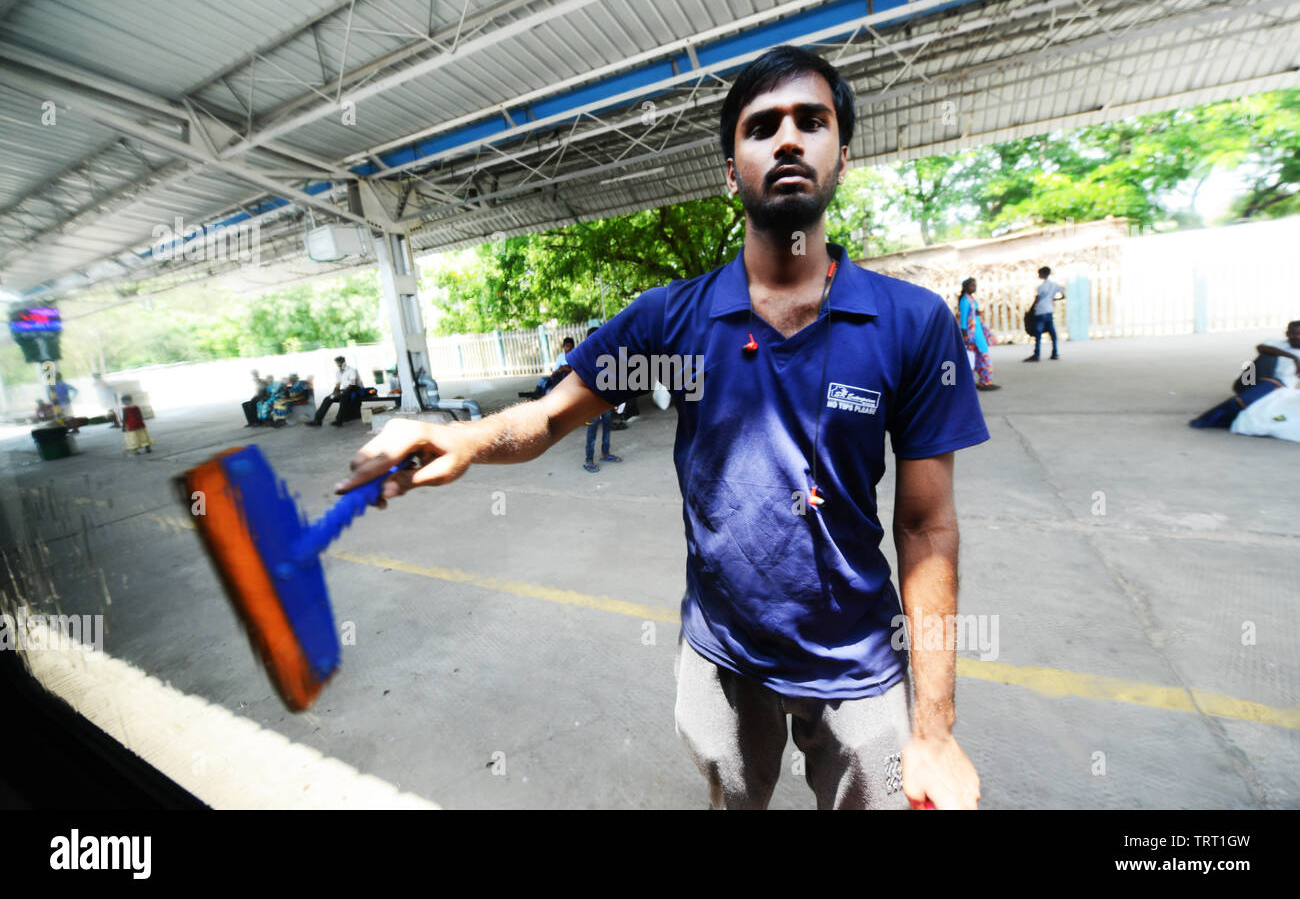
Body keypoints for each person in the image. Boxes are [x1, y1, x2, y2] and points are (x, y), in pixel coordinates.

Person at [337, 45, 988, 810]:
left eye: (811, 122)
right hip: (719, 656)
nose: (787, 140)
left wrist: (935, 728)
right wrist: (464, 439)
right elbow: (548, 417)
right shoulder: (670, 321)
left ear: (841, 157)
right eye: (761, 125)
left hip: (861, 669)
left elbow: (925, 524)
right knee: (733, 801)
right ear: (729, 167)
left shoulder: (910, 324)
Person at [1190, 320, 1300, 431]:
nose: (1297, 337)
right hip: (1249, 382)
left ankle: (1217, 419)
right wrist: (1293, 357)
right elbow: (1260, 348)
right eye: (1294, 333)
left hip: (1278, 386)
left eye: (1299, 334)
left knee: (1241, 402)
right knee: (1267, 355)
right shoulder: (1276, 343)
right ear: (1287, 334)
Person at [578, 327, 621, 472]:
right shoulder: (585, 355)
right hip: (591, 400)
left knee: (607, 427)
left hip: (606, 398)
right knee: (593, 429)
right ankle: (588, 460)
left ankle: (605, 453)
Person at [958, 278, 999, 391]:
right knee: (981, 358)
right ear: (965, 287)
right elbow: (963, 321)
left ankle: (981, 382)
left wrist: (976, 313)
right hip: (973, 335)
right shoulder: (965, 300)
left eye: (975, 285)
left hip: (978, 332)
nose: (974, 287)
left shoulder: (971, 299)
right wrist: (965, 337)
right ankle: (984, 382)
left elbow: (972, 315)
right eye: (971, 285)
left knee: (978, 359)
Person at [307, 356, 362, 427]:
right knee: (328, 398)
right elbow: (337, 384)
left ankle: (339, 420)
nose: (338, 364)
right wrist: (335, 392)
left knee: (343, 398)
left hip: (355, 389)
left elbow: (352, 384)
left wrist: (341, 393)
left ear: (344, 362)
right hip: (345, 390)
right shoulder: (338, 372)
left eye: (340, 362)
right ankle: (317, 420)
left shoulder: (351, 370)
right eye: (337, 363)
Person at [1024, 266, 1064, 361]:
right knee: (1052, 332)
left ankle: (1037, 354)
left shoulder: (1041, 287)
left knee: (1038, 333)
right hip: (1049, 310)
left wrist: (1032, 309)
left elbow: (1037, 299)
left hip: (1041, 311)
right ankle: (1055, 352)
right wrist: (1054, 299)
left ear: (1043, 274)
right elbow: (1063, 294)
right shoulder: (1054, 285)